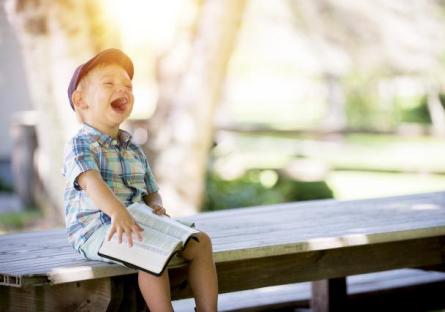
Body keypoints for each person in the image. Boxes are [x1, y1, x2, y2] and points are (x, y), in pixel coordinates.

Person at [62, 48, 218, 311]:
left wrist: (155, 205)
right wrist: (117, 212)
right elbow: (92, 182)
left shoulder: (131, 145)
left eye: (128, 86)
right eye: (109, 83)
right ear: (81, 101)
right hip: (96, 229)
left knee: (200, 242)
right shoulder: (80, 143)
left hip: (137, 221)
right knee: (151, 254)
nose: (122, 89)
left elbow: (150, 190)